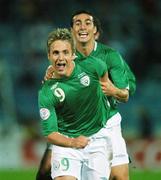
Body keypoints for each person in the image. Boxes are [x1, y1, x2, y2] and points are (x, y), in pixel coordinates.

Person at [37, 10, 136, 180]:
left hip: (106, 124)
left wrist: (114, 91)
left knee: (120, 176)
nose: (82, 27)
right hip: (70, 124)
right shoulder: (65, 56)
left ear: (95, 32)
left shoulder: (109, 56)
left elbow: (126, 92)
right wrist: (53, 72)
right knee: (46, 168)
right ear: (71, 31)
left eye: (87, 23)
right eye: (78, 23)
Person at [38, 28, 113, 180]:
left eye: (65, 52)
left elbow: (103, 70)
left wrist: (107, 87)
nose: (60, 57)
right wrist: (73, 142)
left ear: (73, 54)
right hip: (67, 143)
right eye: (56, 53)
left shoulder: (91, 66)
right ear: (49, 56)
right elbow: (50, 134)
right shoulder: (46, 92)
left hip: (96, 139)